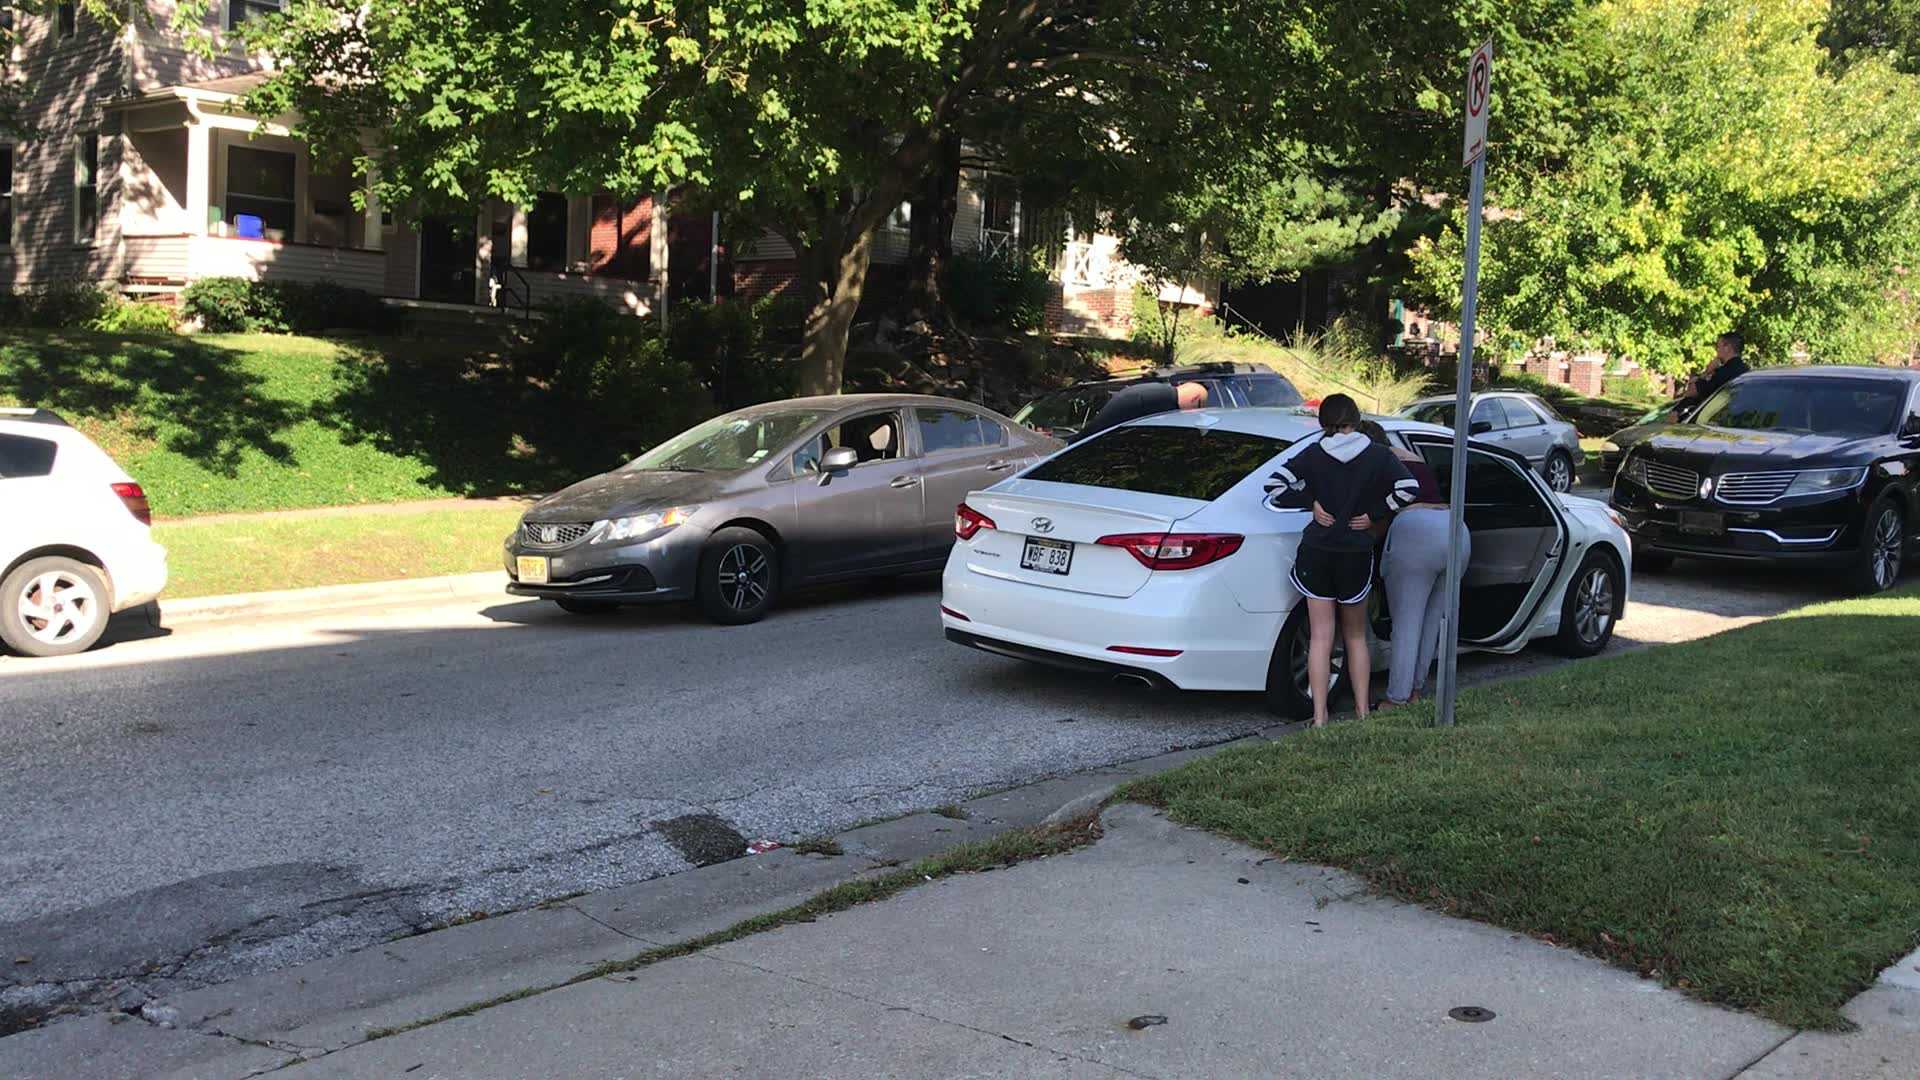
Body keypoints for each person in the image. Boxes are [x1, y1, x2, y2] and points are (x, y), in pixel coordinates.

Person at [1265, 395, 1418, 727]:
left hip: (1317, 551)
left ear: (1323, 423)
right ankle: (1362, 712)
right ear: (1357, 419)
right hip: (1355, 552)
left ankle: (1320, 717)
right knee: (1355, 636)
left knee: (1321, 636)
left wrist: (1311, 502)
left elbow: (1274, 485)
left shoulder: (1314, 453)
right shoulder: (1377, 455)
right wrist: (1374, 514)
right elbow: (1409, 487)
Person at [1079, 380, 1208, 440]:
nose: (1195, 413)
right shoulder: (1163, 403)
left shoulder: (1159, 393)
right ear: (1194, 398)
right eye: (1199, 406)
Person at [1670, 332, 1748, 421]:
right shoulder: (1746, 371)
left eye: (1718, 347)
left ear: (1728, 348)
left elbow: (1692, 391)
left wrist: (1707, 372)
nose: (1717, 350)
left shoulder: (1723, 372)